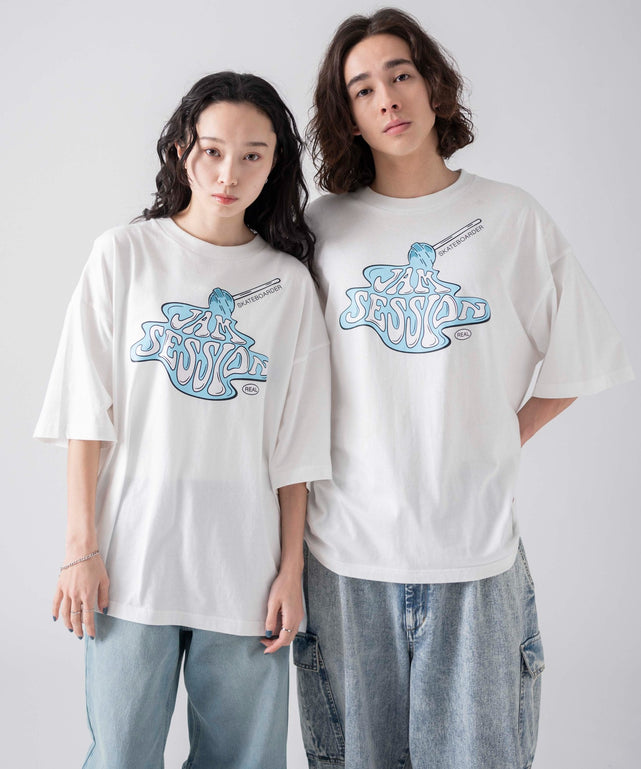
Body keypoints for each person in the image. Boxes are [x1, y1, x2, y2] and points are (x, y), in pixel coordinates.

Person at [293, 8, 633, 769]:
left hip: (474, 554)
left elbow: (581, 353)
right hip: (344, 556)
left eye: (401, 75)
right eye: (362, 89)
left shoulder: (508, 216)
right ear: (346, 115)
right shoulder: (322, 229)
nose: (387, 98)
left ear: (433, 86)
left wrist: (501, 433)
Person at [35, 71, 331, 769]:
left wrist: (291, 572)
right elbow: (86, 411)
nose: (229, 174)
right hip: (130, 565)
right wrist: (80, 547)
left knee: (246, 760)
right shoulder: (124, 255)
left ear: (275, 164)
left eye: (253, 155)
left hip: (245, 572)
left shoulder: (288, 285)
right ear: (180, 150)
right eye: (212, 150)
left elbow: (296, 447)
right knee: (121, 757)